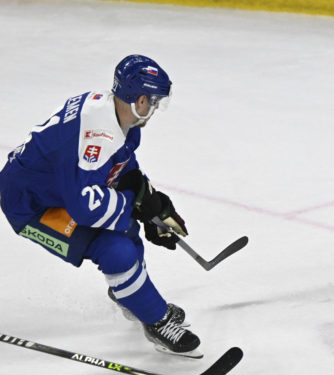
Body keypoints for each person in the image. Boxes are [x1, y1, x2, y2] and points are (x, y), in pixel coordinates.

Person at [0, 55, 202, 357]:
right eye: (154, 101)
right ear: (140, 98)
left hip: (56, 189)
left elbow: (118, 167)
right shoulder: (96, 135)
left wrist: (149, 201)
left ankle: (136, 301)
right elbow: (84, 207)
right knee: (115, 250)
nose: (156, 108)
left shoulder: (115, 115)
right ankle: (156, 321)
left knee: (127, 231)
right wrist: (132, 204)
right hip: (31, 205)